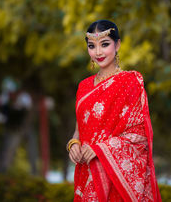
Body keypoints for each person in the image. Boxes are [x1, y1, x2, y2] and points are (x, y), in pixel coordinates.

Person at [66, 20, 162, 202]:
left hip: (115, 177)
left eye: (105, 44)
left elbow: (139, 136)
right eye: (92, 46)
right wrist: (73, 145)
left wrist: (101, 149)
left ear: (117, 45)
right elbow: (79, 131)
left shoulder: (130, 82)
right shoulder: (84, 86)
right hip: (87, 173)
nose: (98, 52)